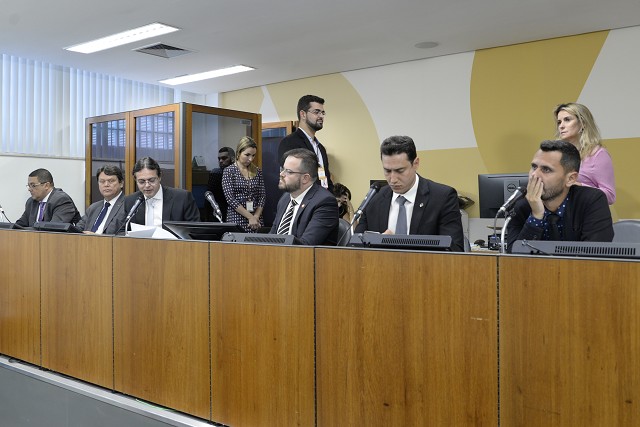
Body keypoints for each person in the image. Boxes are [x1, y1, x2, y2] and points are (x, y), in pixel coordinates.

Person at [354, 135, 464, 252]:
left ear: (415, 163)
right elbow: (355, 247)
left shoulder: (442, 197)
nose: (393, 179)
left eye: (400, 171)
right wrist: (378, 244)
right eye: (387, 171)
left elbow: (454, 251)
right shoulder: (374, 198)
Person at [506, 140, 614, 253]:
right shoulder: (522, 206)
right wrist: (536, 216)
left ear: (570, 179)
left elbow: (595, 255)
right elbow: (513, 258)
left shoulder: (592, 201)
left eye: (546, 169)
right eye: (534, 167)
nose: (534, 175)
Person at [270, 148, 339, 245]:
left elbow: (306, 245)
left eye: (288, 171)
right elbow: (272, 236)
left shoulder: (324, 202)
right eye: (282, 169)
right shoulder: (285, 199)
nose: (281, 174)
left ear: (305, 178)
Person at [554, 102, 616, 204]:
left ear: (583, 123)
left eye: (567, 120)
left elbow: (610, 196)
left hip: (585, 211)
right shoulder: (555, 153)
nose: (561, 126)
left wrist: (579, 186)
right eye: (559, 122)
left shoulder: (597, 154)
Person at [124, 157, 200, 228]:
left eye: (151, 180)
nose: (147, 185)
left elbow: (195, 230)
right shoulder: (130, 201)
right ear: (136, 180)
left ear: (159, 177)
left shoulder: (182, 198)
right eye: (141, 182)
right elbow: (123, 230)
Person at [278, 95, 333, 191]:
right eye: (316, 112)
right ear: (303, 114)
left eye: (322, 113)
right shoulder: (290, 143)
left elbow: (325, 177)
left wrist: (332, 196)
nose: (321, 116)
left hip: (323, 197)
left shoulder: (321, 148)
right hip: (304, 199)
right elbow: (290, 180)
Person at [222, 137, 266, 232]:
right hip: (236, 218)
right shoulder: (229, 171)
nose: (250, 159)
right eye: (247, 155)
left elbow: (262, 196)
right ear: (238, 153)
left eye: (253, 155)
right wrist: (250, 217)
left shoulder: (257, 171)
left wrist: (256, 217)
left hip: (256, 220)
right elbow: (230, 198)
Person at [16, 168, 81, 227]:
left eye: (33, 185)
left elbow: (54, 228)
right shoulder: (31, 202)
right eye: (29, 186)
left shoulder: (61, 200)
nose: (29, 189)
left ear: (46, 185)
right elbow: (20, 225)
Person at [76, 165, 126, 235]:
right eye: (102, 181)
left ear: (121, 183)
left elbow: (126, 235)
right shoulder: (93, 208)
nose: (106, 185)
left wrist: (97, 237)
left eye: (111, 181)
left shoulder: (128, 206)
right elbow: (77, 230)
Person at [206, 146, 235, 221]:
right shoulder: (216, 173)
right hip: (219, 210)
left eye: (224, 158)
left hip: (235, 211)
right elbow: (209, 195)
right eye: (219, 159)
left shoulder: (238, 174)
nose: (221, 161)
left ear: (232, 159)